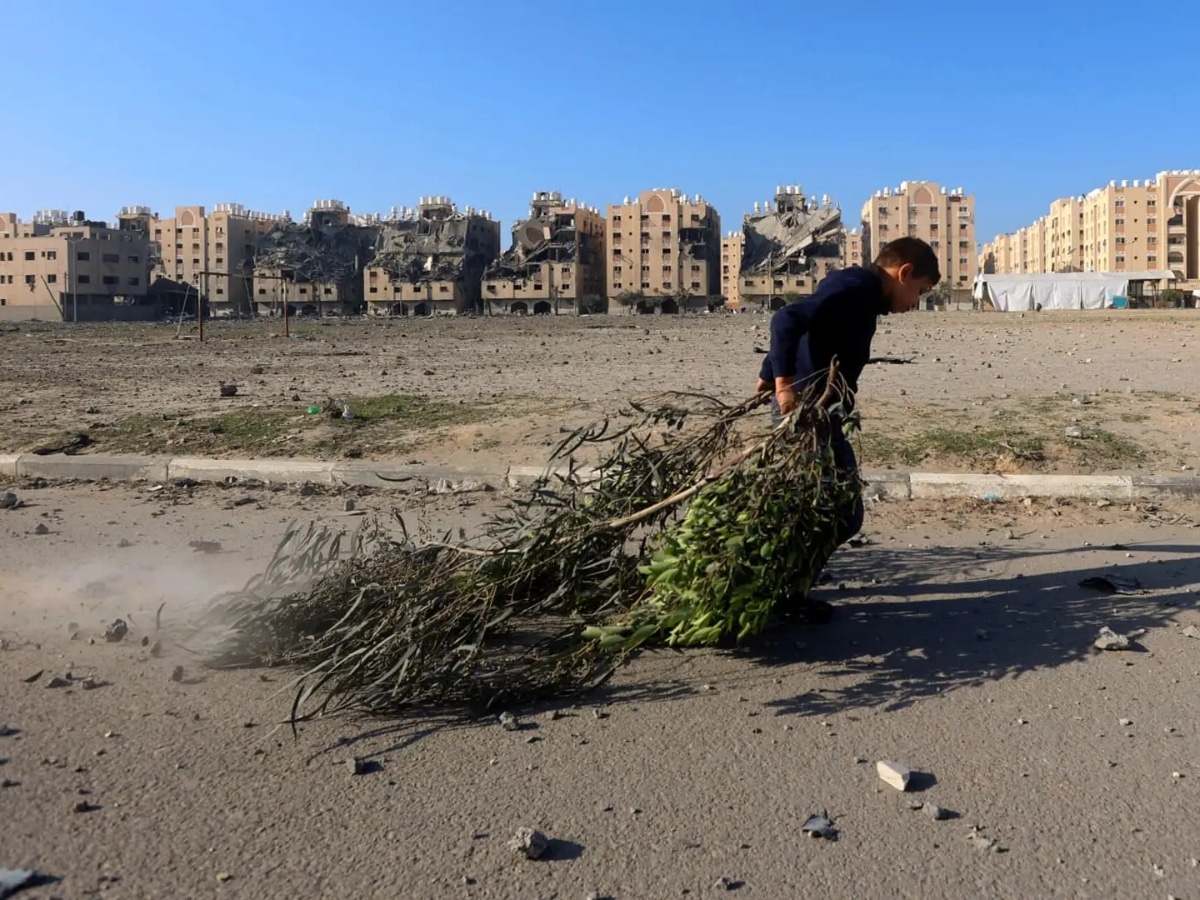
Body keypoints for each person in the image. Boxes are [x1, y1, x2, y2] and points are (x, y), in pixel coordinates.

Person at [755, 236, 940, 622]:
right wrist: (783, 385)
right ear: (903, 273)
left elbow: (808, 324)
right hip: (807, 414)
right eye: (919, 291)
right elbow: (786, 318)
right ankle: (786, 594)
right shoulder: (855, 288)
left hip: (817, 411)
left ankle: (781, 588)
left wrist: (768, 373)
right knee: (842, 510)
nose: (914, 303)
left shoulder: (857, 290)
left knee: (814, 505)